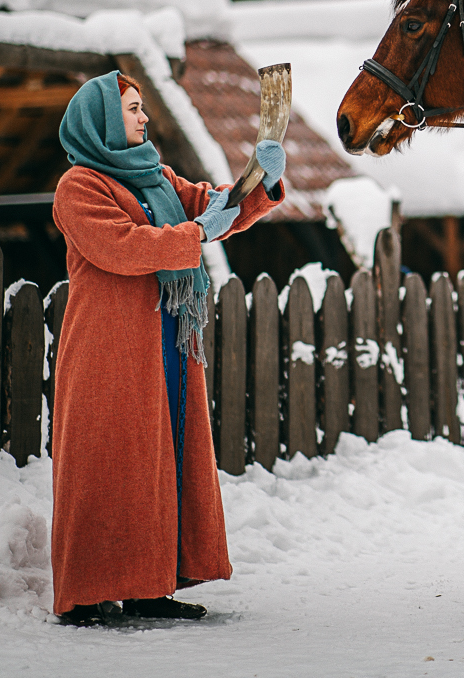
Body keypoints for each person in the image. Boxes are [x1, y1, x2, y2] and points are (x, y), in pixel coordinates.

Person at [50, 69, 287, 625]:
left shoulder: (153, 175)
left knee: (161, 462)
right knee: (110, 464)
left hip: (166, 342)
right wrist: (197, 233)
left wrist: (260, 181)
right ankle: (88, 594)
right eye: (132, 109)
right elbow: (123, 247)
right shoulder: (80, 186)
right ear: (102, 119)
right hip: (109, 350)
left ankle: (151, 585)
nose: (143, 117)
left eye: (142, 108)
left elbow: (211, 205)